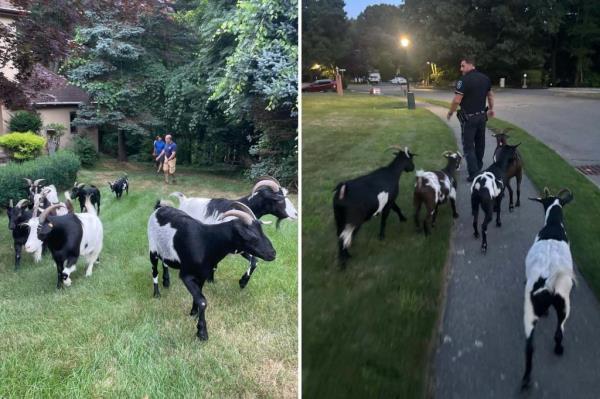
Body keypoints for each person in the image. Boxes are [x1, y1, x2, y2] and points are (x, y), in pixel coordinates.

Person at [447, 57, 495, 182]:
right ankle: (478, 167)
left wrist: (451, 112)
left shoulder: (463, 80)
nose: (461, 69)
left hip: (469, 119)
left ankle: (474, 174)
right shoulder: (485, 78)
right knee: (480, 144)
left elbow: (457, 100)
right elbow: (490, 96)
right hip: (482, 117)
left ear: (470, 65)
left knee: (468, 147)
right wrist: (491, 108)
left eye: (463, 66)